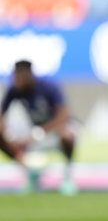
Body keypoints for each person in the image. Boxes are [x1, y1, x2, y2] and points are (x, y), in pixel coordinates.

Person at [0, 60, 78, 195]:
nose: (17, 81)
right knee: (2, 139)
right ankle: (32, 172)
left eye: (20, 77)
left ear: (29, 75)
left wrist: (37, 134)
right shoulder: (15, 89)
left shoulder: (49, 87)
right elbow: (1, 116)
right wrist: (9, 136)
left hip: (53, 133)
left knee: (67, 135)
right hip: (33, 134)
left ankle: (67, 177)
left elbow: (63, 117)